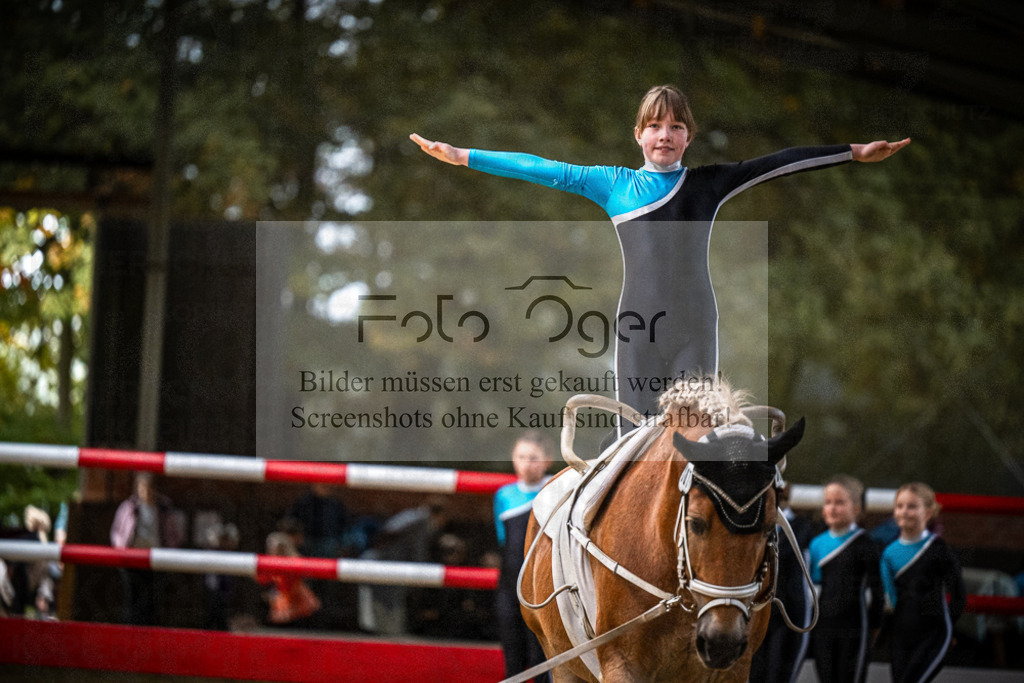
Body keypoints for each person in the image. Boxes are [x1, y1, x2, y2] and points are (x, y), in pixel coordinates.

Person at [411, 86, 910, 435]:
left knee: (696, 440)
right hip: (638, 331)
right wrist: (465, 156)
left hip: (695, 327)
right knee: (632, 443)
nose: (664, 135)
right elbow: (542, 168)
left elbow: (777, 162)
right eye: (654, 126)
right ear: (638, 135)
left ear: (688, 138)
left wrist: (853, 153)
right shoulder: (613, 184)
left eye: (675, 127)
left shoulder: (710, 183)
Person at [880, 482, 965, 683]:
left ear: (928, 513)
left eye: (912, 506)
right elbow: (891, 599)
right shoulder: (888, 553)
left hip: (934, 634)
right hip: (902, 635)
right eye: (899, 506)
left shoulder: (938, 549)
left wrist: (950, 627)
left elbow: (959, 594)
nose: (904, 512)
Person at [807, 475, 883, 683]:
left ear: (857, 508)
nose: (832, 508)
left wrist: (875, 627)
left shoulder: (866, 544)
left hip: (855, 629)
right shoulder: (816, 545)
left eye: (840, 503)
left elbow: (877, 590)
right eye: (828, 502)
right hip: (823, 629)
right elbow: (814, 589)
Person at [493, 430, 555, 682]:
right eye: (521, 456)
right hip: (509, 589)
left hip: (543, 590)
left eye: (533, 457)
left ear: (548, 460)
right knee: (514, 660)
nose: (526, 463)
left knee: (542, 660)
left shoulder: (556, 489)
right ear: (513, 458)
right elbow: (502, 541)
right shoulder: (503, 495)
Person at [750, 483, 814, 683]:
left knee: (780, 674)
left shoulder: (802, 526)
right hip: (757, 609)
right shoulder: (751, 526)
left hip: (789, 611)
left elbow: (783, 552)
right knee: (755, 674)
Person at [109, 472, 185, 625]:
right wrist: (120, 550)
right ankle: (131, 631)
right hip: (132, 559)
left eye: (149, 488)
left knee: (152, 598)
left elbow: (174, 533)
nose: (146, 492)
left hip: (157, 559)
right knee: (133, 597)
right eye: (143, 488)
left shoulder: (164, 508)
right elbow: (117, 531)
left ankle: (148, 632)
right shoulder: (129, 507)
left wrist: (171, 552)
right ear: (137, 488)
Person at [259, 531, 322, 627]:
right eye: (275, 549)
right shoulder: (267, 564)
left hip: (299, 599)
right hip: (281, 601)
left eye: (281, 548)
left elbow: (308, 577)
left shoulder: (296, 561)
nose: (278, 552)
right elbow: (263, 582)